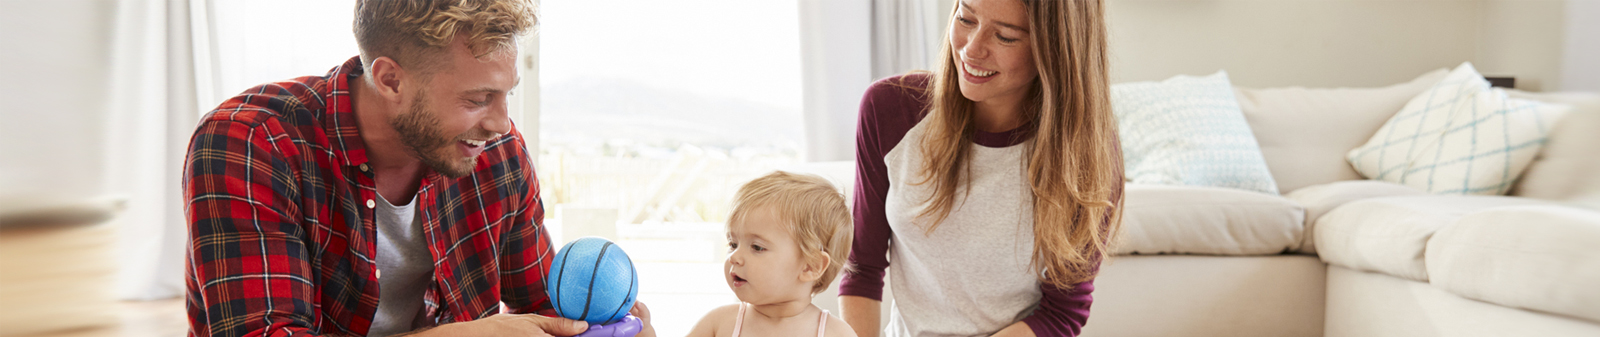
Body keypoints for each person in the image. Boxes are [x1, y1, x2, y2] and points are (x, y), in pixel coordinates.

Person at [181, 1, 618, 335]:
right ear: (391, 79)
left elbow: (543, 305)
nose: (501, 124)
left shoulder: (498, 154)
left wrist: (601, 326)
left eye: (506, 95)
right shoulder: (252, 142)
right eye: (477, 99)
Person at [838, 0, 1125, 336]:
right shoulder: (889, 110)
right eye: (965, 18)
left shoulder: (1087, 155)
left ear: (1057, 51)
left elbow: (1062, 312)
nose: (971, 49)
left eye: (1005, 37)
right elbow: (862, 268)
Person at [635, 171, 858, 337]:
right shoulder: (720, 323)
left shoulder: (836, 333)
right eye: (733, 244)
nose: (734, 257)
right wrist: (645, 332)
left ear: (810, 266)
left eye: (757, 247)